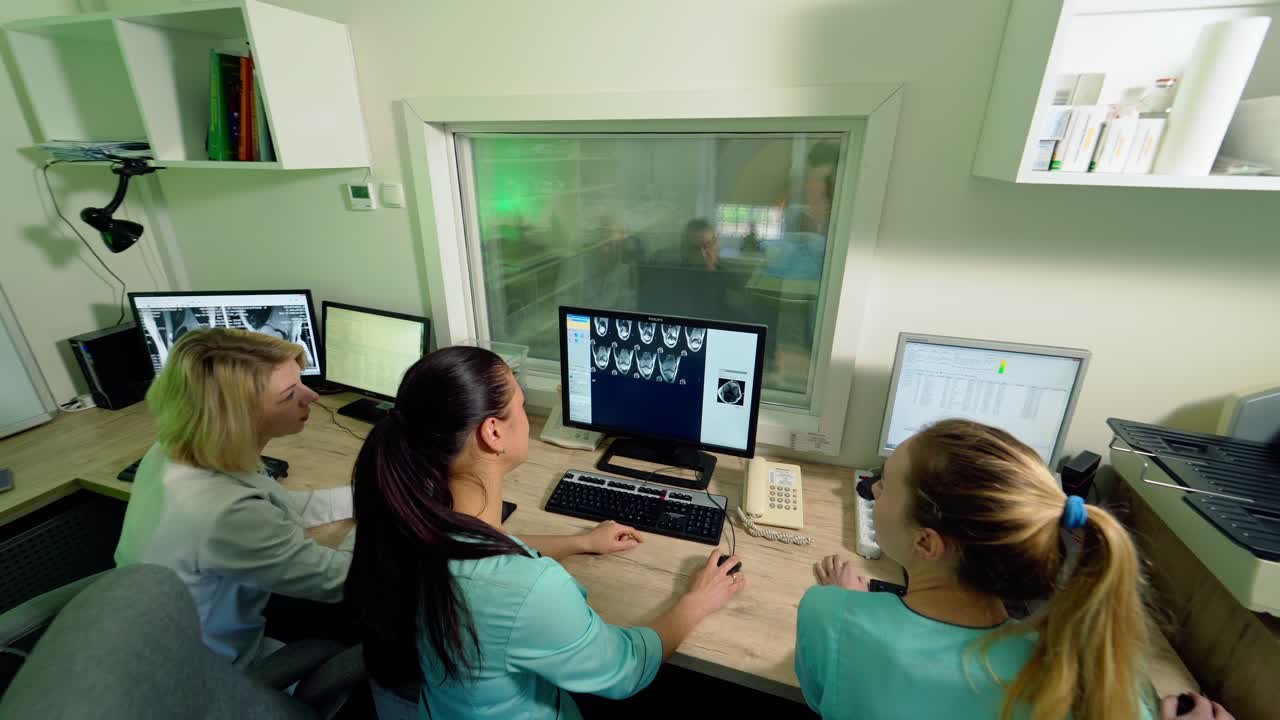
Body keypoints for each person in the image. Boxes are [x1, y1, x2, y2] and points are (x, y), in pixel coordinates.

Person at [345, 346, 745, 719]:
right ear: (493, 433)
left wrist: (579, 542)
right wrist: (698, 601)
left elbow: (484, 554)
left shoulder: (412, 519)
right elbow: (625, 670)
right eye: (521, 405)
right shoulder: (529, 588)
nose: (528, 416)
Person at [797, 419, 1158, 719]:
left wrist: (854, 611)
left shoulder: (828, 616)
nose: (873, 488)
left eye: (886, 484)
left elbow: (821, 697)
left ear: (927, 543)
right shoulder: (1098, 687)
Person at [114, 327, 354, 667]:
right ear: (238, 420)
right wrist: (386, 515)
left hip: (149, 631)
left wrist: (366, 497)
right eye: (289, 394)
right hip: (204, 676)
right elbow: (344, 582)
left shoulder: (175, 448)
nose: (312, 396)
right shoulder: (224, 511)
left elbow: (274, 508)